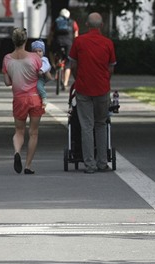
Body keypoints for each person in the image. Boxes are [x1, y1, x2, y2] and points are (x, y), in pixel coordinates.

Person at [69, 12, 116, 174]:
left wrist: (79, 79)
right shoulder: (108, 43)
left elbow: (73, 65)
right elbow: (111, 67)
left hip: (83, 89)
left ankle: (89, 164)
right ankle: (102, 162)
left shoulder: (78, 42)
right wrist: (105, 79)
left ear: (86, 25)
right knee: (101, 124)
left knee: (86, 126)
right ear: (101, 26)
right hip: (102, 89)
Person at [2, 27, 44, 174]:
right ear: (26, 40)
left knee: (19, 131)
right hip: (34, 99)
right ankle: (28, 166)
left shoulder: (7, 59)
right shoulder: (35, 58)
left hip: (18, 99)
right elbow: (41, 76)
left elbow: (7, 82)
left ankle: (17, 152)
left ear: (13, 41)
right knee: (33, 133)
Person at [49, 8, 79, 90]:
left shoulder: (56, 22)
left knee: (51, 52)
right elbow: (76, 36)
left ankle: (55, 66)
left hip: (57, 43)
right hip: (68, 44)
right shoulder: (73, 23)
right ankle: (65, 84)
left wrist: (49, 43)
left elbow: (51, 34)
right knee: (68, 63)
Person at [31, 40, 54, 107]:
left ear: (43, 52)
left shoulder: (44, 59)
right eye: (35, 51)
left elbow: (46, 65)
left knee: (39, 86)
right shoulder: (31, 59)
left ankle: (44, 97)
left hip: (41, 77)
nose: (38, 53)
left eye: (40, 51)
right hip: (33, 77)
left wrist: (42, 70)